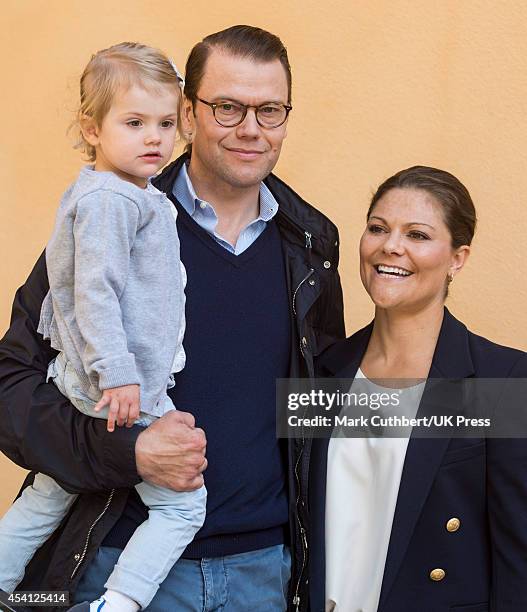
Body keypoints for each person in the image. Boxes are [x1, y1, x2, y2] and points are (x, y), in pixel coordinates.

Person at [0, 26, 345, 611]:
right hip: (116, 556)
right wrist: (126, 452)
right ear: (188, 111)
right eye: (228, 107)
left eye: (270, 110)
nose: (250, 129)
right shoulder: (113, 216)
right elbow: (12, 388)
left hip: (262, 574)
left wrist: (475, 407)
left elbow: (318, 407)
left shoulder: (310, 247)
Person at [0, 42, 208, 612]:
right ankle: (117, 604)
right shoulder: (113, 200)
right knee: (183, 506)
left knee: (52, 490)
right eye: (134, 122)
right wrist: (117, 374)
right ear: (92, 128)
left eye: (166, 123)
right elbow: (95, 291)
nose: (155, 139)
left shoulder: (124, 194)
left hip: (100, 377)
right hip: (120, 384)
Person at [308, 166, 527, 611]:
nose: (391, 246)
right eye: (377, 228)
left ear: (458, 258)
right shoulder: (323, 370)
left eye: (418, 235)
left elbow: (518, 559)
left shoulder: (500, 380)